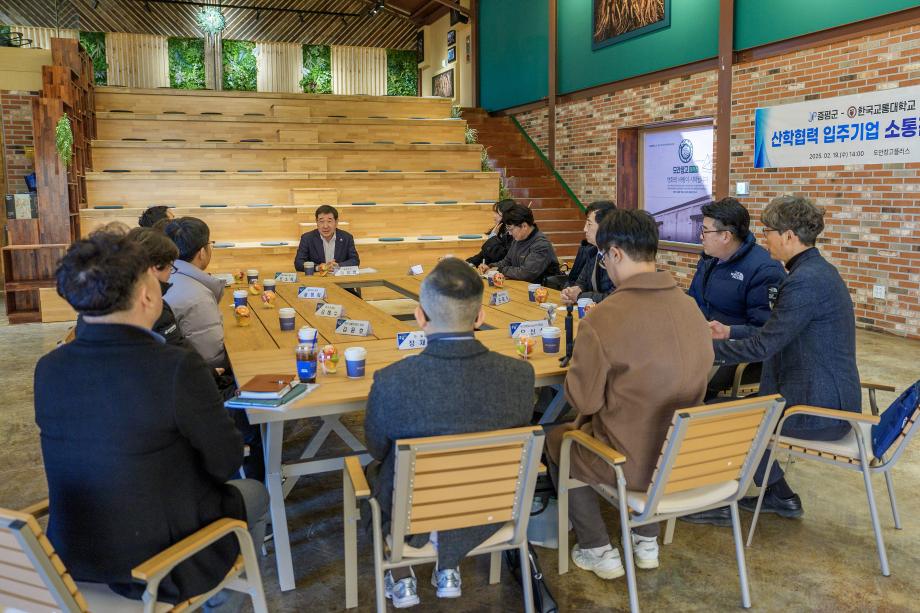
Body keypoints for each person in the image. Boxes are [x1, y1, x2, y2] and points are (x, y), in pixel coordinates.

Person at [35, 231, 268, 606]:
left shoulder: (48, 368)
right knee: (254, 493)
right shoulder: (175, 367)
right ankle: (218, 601)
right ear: (146, 295)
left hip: (71, 563)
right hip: (159, 566)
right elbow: (226, 462)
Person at [546, 209, 713, 580]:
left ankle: (597, 549)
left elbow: (584, 402)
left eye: (604, 257)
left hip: (627, 464)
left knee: (558, 440)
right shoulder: (691, 309)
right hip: (681, 458)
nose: (604, 265)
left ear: (616, 253)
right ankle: (645, 540)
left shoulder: (604, 317)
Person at [364, 258, 535, 608]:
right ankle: (449, 562)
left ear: (419, 317)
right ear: (480, 317)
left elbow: (377, 449)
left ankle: (401, 573)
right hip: (488, 513)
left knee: (374, 472)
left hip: (414, 519)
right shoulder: (520, 376)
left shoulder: (392, 380)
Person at [706, 196, 861, 521]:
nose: (765, 239)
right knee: (730, 409)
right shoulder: (816, 271)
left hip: (817, 411)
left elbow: (764, 346)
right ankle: (780, 495)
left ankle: (723, 498)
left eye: (769, 232)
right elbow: (779, 330)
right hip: (821, 399)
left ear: (789, 235)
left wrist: (704, 351)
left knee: (719, 415)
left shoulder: (805, 281)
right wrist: (730, 332)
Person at [164, 216, 264, 481]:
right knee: (258, 390)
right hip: (202, 397)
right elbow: (215, 358)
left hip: (178, 389)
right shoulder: (195, 295)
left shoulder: (171, 278)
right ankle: (260, 482)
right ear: (202, 252)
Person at [687, 198, 786, 402]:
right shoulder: (709, 259)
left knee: (681, 382)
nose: (700, 236)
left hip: (734, 353)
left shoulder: (764, 269)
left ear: (725, 236)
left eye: (705, 231)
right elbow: (693, 301)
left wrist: (728, 331)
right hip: (699, 342)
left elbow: (768, 332)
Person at [478, 204, 560, 283]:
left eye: (511, 229)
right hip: (522, 285)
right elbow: (506, 261)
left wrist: (499, 270)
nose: (509, 233)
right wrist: (490, 266)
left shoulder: (541, 244)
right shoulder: (518, 239)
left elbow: (526, 273)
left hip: (543, 289)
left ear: (524, 226)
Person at [560, 200, 617, 305]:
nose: (585, 229)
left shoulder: (617, 257)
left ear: (604, 228)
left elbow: (615, 297)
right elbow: (581, 283)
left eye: (589, 224)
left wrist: (579, 296)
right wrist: (570, 292)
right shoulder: (593, 252)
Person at [294, 204, 360, 272]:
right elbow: (298, 263)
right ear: (317, 222)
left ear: (336, 222)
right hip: (317, 277)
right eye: (321, 221)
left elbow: (355, 261)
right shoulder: (307, 238)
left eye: (329, 221)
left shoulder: (347, 238)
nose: (325, 226)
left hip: (338, 277)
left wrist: (338, 265)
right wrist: (317, 267)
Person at [466, 198, 516, 267]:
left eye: (497, 213)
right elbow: (484, 254)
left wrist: (492, 239)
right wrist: (469, 262)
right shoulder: (499, 231)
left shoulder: (514, 235)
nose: (494, 216)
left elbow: (501, 257)